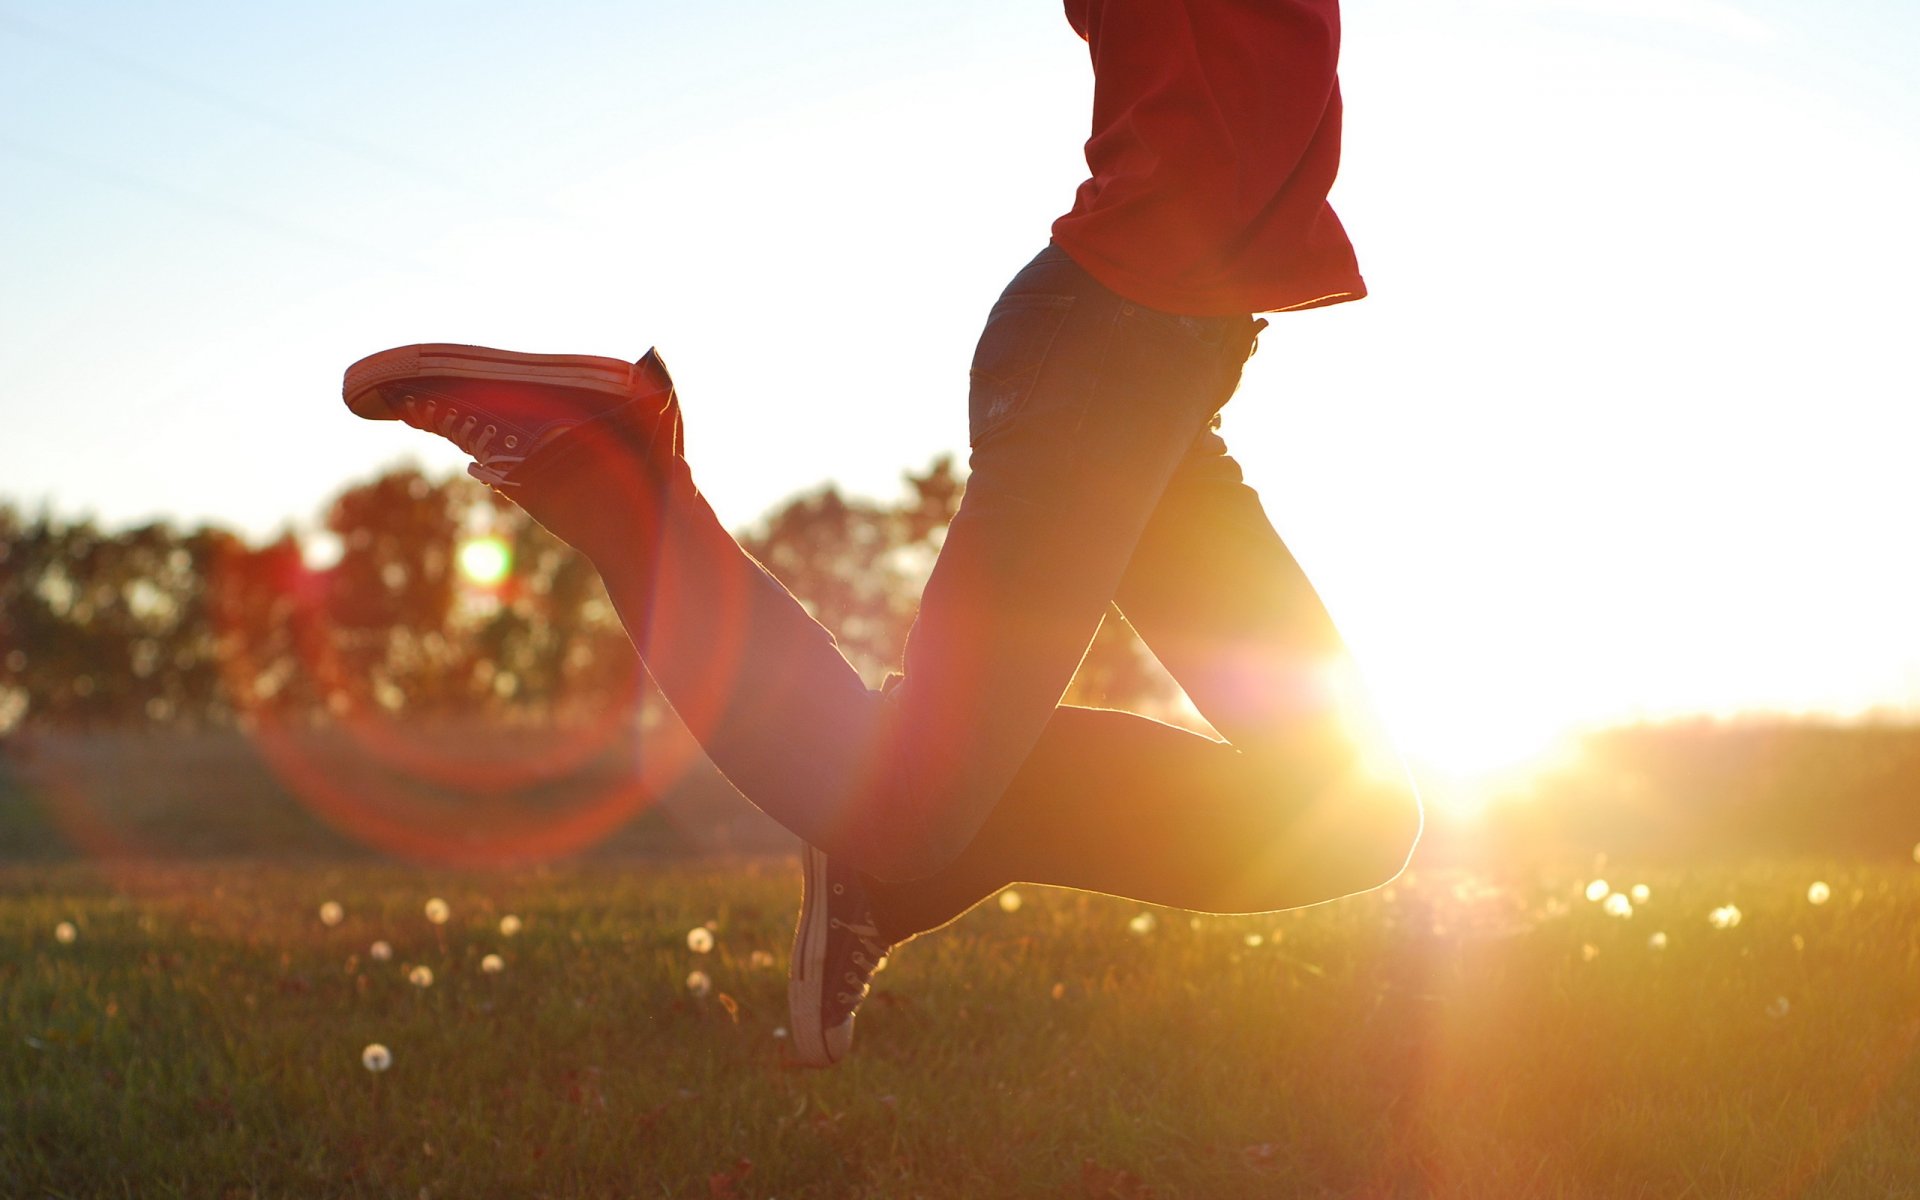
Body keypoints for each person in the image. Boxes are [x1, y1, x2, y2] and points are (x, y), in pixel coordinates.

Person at [341, 0, 1420, 1068]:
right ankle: (608, 475)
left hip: (1165, 376)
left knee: (1350, 812)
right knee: (898, 807)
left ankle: (904, 858)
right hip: (1108, 360)